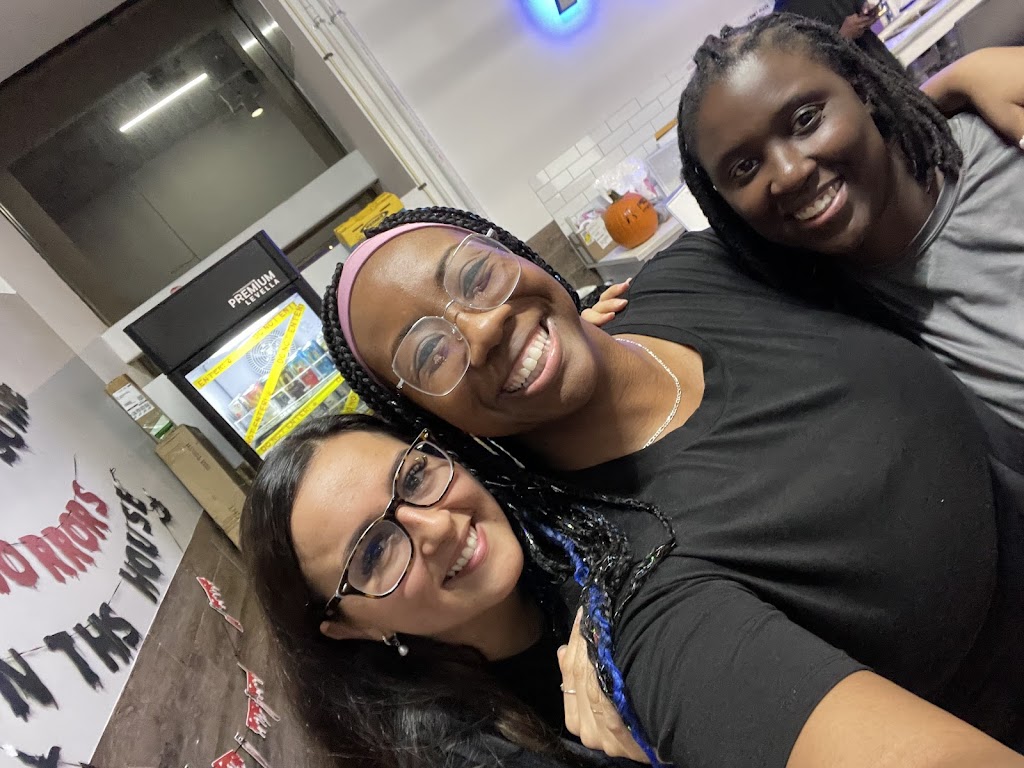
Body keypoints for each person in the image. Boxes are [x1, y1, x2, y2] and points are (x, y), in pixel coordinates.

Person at [321, 202, 1024, 767]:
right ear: (433, 422)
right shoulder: (644, 594)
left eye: (476, 277)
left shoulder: (689, 275)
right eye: (431, 353)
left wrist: (963, 86)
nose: (484, 326)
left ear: (514, 253)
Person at [241, 413, 666, 767]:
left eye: (414, 477)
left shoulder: (578, 528)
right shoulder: (466, 755)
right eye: (374, 552)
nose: (439, 526)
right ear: (351, 627)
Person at [676, 16, 1024, 434]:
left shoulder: (1004, 145)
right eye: (745, 167)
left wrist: (961, 77)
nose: (789, 174)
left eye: (806, 119)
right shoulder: (817, 306)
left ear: (862, 91)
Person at [773, 0, 905, 74]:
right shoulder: (784, 18)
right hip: (857, 87)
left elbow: (858, 5)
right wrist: (843, 36)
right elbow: (810, 66)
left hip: (885, 65)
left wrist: (866, 11)